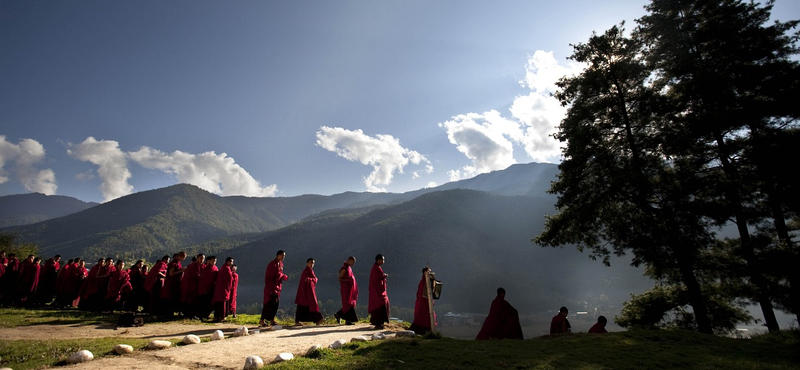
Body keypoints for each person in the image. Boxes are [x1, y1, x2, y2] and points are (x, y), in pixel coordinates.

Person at [260, 250, 288, 327]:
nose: (283, 257)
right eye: (282, 255)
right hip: (271, 288)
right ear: (278, 255)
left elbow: (279, 274)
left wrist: (283, 276)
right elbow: (269, 277)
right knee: (268, 304)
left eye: (284, 256)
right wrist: (272, 288)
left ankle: (271, 319)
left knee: (275, 304)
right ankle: (262, 320)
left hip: (277, 288)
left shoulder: (280, 264)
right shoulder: (272, 264)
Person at [295, 258, 324, 326]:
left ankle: (317, 320)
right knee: (302, 307)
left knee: (308, 307)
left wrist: (311, 280)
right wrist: (311, 280)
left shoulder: (310, 271)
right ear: (307, 263)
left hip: (308, 292)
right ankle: (318, 319)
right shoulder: (305, 271)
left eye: (313, 263)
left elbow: (314, 279)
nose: (312, 264)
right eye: (310, 262)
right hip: (304, 292)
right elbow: (306, 280)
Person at [409, 267, 437, 335]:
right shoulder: (423, 282)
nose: (429, 273)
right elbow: (421, 293)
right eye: (428, 272)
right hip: (423, 303)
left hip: (427, 303)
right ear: (425, 273)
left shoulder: (429, 281)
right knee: (422, 316)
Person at [159, 251, 186, 317]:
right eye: (183, 257)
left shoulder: (178, 262)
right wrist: (182, 271)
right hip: (171, 284)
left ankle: (172, 312)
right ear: (180, 256)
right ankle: (168, 313)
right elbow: (171, 273)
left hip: (176, 283)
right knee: (170, 298)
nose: (183, 259)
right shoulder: (173, 263)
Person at [368, 254, 390, 329]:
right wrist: (384, 276)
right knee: (379, 305)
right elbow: (377, 278)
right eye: (382, 260)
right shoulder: (375, 268)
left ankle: (379, 322)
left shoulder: (377, 268)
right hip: (377, 291)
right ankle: (378, 323)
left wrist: (383, 276)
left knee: (382, 304)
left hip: (379, 290)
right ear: (378, 260)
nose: (383, 261)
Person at [334, 256, 358, 325]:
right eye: (352, 262)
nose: (353, 264)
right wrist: (347, 280)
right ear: (349, 260)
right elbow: (339, 278)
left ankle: (345, 318)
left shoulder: (349, 268)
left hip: (350, 289)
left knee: (350, 304)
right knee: (347, 304)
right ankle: (339, 315)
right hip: (345, 289)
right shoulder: (344, 269)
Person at [181, 253, 205, 318]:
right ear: (197, 258)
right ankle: (188, 314)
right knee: (190, 300)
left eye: (203, 258)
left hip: (199, 286)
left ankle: (195, 314)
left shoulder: (204, 267)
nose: (202, 260)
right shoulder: (191, 266)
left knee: (197, 301)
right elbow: (189, 276)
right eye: (200, 258)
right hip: (191, 285)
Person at [212, 257, 235, 322]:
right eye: (231, 262)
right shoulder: (227, 269)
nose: (232, 263)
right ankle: (222, 317)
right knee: (222, 303)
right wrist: (230, 287)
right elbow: (228, 279)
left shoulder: (223, 268)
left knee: (218, 302)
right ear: (228, 262)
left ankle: (217, 316)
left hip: (220, 287)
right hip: (223, 288)